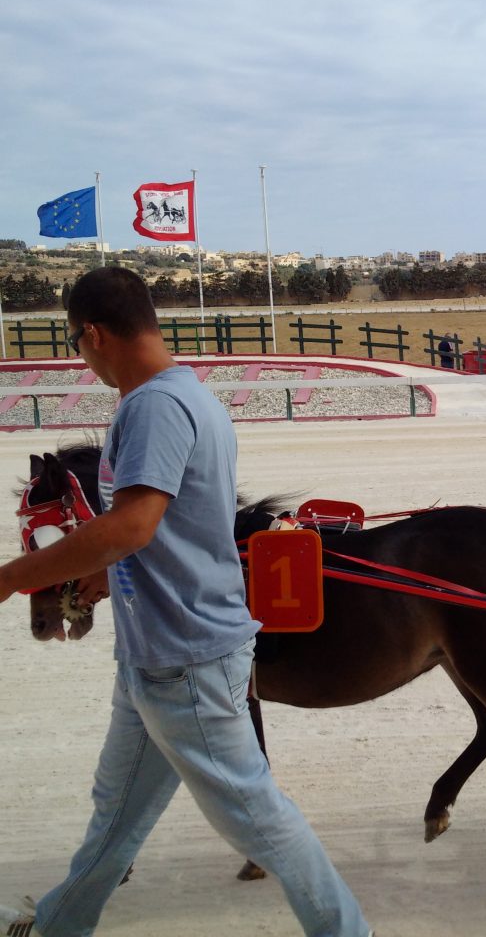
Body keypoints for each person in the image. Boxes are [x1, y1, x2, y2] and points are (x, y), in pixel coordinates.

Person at [0, 267, 373, 937]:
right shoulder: (182, 396)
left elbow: (132, 525)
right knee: (116, 812)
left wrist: (12, 576)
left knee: (259, 820)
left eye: (78, 347)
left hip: (186, 662)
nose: (84, 363)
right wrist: (107, 578)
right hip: (157, 657)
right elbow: (177, 531)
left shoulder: (153, 407)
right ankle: (59, 927)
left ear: (94, 334)